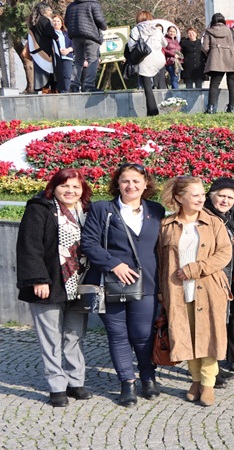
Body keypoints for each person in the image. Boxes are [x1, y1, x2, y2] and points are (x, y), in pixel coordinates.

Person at [80, 163, 165, 407]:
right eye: (125, 181)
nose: (131, 186)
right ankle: (127, 383)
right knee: (118, 335)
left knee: (142, 335)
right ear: (117, 183)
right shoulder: (101, 209)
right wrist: (113, 264)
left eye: (136, 181)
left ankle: (148, 377)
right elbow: (89, 243)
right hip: (110, 283)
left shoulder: (156, 210)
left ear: (146, 184)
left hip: (146, 282)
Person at [16, 168, 93, 407]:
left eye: (76, 187)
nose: (70, 191)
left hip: (79, 283)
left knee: (74, 334)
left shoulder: (86, 212)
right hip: (49, 283)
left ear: (82, 191)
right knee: (50, 337)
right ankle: (56, 386)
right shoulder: (40, 209)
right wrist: (38, 279)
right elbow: (29, 247)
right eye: (65, 186)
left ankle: (75, 381)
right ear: (54, 187)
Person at [157, 176, 232, 407]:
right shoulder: (166, 225)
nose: (201, 199)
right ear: (180, 198)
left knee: (208, 337)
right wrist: (161, 290)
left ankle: (208, 384)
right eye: (195, 195)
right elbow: (160, 260)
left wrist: (195, 269)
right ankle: (196, 380)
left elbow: (224, 253)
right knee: (185, 336)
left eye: (202, 194)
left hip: (208, 289)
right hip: (177, 290)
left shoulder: (214, 223)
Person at [202, 178, 234, 385]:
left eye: (230, 197)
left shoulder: (227, 217)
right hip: (211, 280)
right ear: (211, 196)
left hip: (226, 280)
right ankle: (209, 373)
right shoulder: (206, 217)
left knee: (220, 325)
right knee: (210, 327)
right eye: (221, 195)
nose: (225, 200)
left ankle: (215, 368)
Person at [202, 13, 234, 114]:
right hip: (231, 58)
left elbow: (204, 47)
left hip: (216, 58)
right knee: (232, 84)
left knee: (214, 84)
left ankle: (210, 108)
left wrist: (212, 53)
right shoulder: (231, 30)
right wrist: (233, 50)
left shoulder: (209, 31)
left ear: (213, 21)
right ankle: (231, 108)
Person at [128, 11, 167, 116]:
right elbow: (165, 43)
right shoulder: (156, 29)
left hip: (145, 59)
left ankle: (153, 111)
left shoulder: (136, 29)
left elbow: (131, 46)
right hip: (159, 59)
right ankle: (154, 109)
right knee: (159, 81)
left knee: (147, 87)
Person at [64, 0, 107, 92]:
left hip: (75, 36)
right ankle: (88, 85)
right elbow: (99, 20)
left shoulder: (71, 6)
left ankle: (74, 85)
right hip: (91, 36)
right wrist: (104, 26)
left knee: (78, 60)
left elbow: (66, 22)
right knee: (93, 59)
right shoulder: (93, 4)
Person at [26, 2, 57, 93]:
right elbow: (50, 33)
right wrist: (57, 37)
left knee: (40, 71)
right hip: (46, 50)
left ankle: (43, 89)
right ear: (44, 10)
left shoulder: (33, 22)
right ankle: (49, 89)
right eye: (49, 10)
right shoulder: (44, 20)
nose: (51, 12)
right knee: (49, 71)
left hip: (37, 50)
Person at [51, 15, 74, 94]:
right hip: (55, 57)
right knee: (58, 76)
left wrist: (68, 50)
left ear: (62, 23)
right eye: (54, 21)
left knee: (67, 75)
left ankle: (65, 91)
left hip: (67, 57)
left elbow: (73, 44)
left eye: (58, 21)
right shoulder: (50, 34)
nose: (56, 23)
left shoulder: (67, 33)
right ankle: (58, 90)